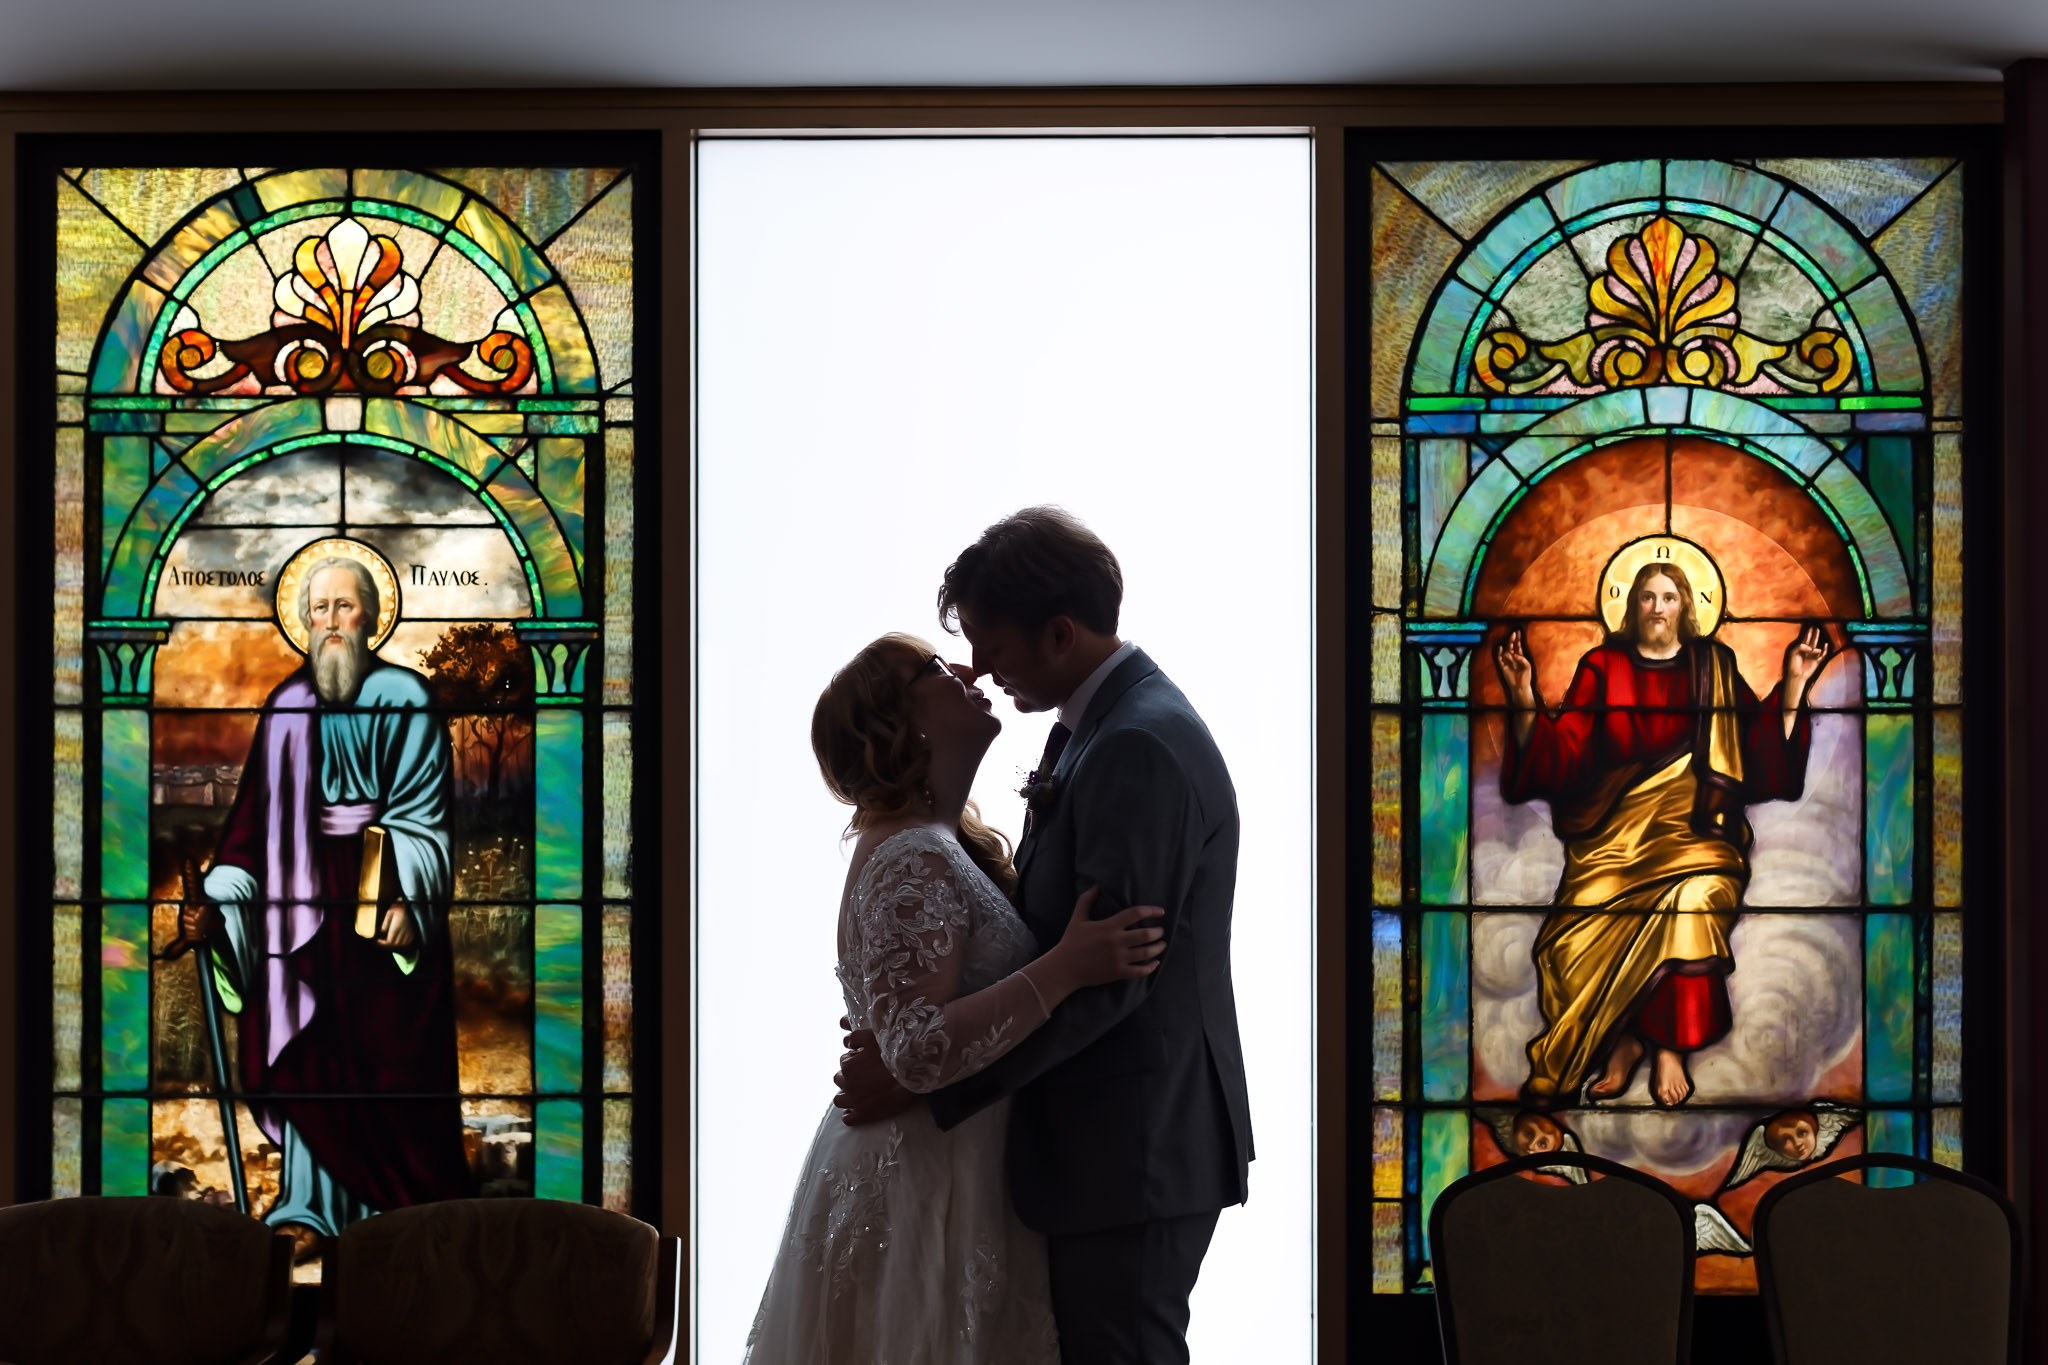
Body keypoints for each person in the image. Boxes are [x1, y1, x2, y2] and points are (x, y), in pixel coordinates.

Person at [835, 507, 1253, 1364]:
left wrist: (931, 1082)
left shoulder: (1136, 745)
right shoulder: (1099, 731)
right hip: (1096, 1148)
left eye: (991, 645)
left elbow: (1114, 974)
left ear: (1059, 633)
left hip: (1130, 1146)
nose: (978, 670)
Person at [744, 633, 1167, 1365]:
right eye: (934, 669)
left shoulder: (939, 844)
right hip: (921, 1181)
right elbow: (918, 1046)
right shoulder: (911, 852)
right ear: (898, 720)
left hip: (953, 1162)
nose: (967, 669)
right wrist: (1066, 966)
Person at [172, 548, 470, 1253]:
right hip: (296, 908)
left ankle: (399, 1215)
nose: (329, 620)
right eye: (318, 609)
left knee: (386, 1059)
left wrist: (408, 898)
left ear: (371, 616)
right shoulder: (286, 706)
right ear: (304, 622)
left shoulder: (407, 697)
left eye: (343, 605)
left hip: (378, 903)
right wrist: (216, 902)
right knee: (308, 1047)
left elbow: (425, 817)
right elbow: (248, 834)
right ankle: (307, 1206)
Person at [1495, 557, 1831, 1109]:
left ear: (1687, 607)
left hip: (1698, 836)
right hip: (1612, 842)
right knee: (1569, 943)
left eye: (1669, 597)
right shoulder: (1602, 667)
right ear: (1630, 608)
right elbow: (1567, 752)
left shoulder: (1714, 665)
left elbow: (1757, 751)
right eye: (1646, 598)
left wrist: (1794, 679)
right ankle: (1625, 1040)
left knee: (1693, 902)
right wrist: (1524, 697)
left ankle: (1669, 1046)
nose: (1657, 608)